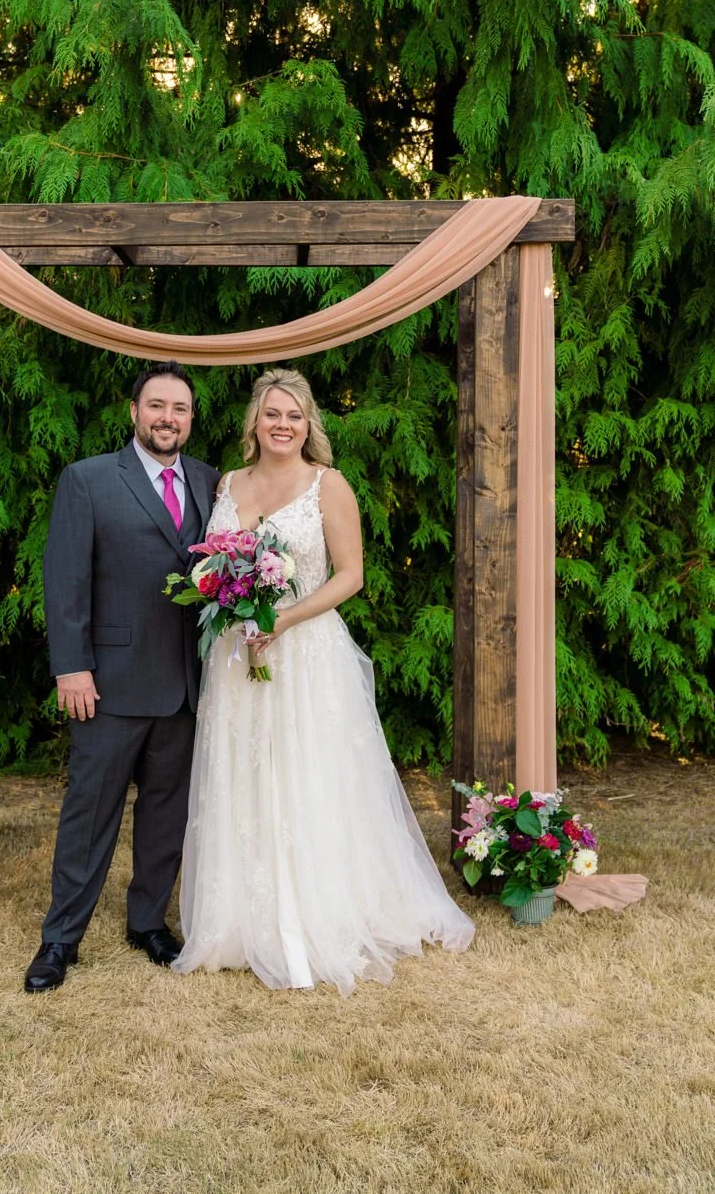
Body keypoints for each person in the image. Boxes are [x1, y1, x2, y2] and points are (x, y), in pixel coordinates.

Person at [173, 367, 475, 994]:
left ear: (310, 424)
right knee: (245, 773)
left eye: (295, 415)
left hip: (304, 653)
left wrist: (283, 617)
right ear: (253, 422)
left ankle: (320, 914)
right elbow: (210, 565)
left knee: (307, 776)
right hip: (236, 657)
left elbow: (350, 575)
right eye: (272, 414)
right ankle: (238, 920)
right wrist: (229, 602)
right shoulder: (227, 483)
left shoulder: (327, 485)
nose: (283, 425)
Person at [25, 361, 220, 992]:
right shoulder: (87, 480)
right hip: (107, 682)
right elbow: (66, 580)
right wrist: (71, 667)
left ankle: (148, 923)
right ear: (133, 412)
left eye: (180, 409)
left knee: (166, 814)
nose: (168, 418)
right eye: (157, 405)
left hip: (186, 685)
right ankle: (60, 938)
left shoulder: (212, 483)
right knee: (90, 812)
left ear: (191, 418)